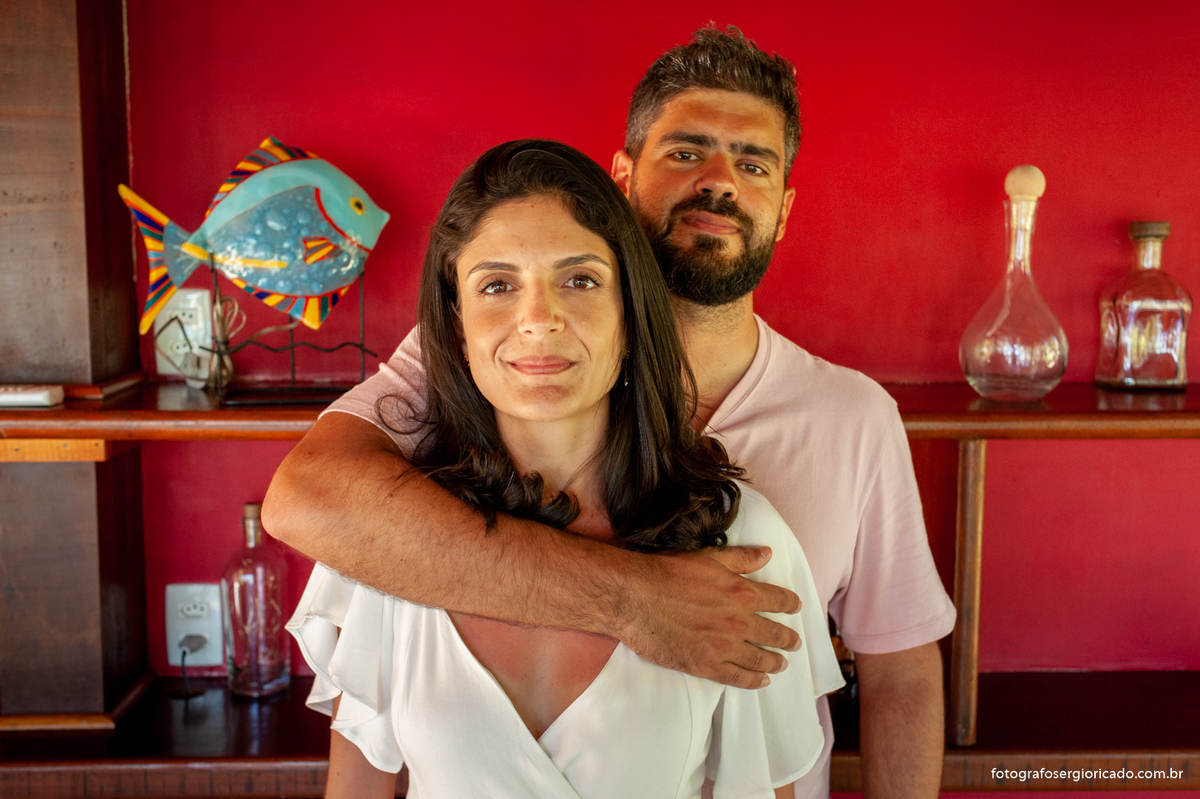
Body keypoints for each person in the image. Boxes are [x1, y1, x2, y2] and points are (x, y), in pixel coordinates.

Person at [264, 26, 955, 799]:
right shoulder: (480, 360)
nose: (718, 182)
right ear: (624, 178)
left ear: (785, 207)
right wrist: (637, 600)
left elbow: (901, 667)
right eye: (687, 152)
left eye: (752, 162)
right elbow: (304, 497)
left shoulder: (848, 422)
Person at [287, 139, 843, 798]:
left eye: (579, 279)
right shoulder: (387, 534)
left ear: (630, 317)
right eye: (497, 285)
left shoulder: (745, 542)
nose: (538, 319)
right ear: (457, 327)